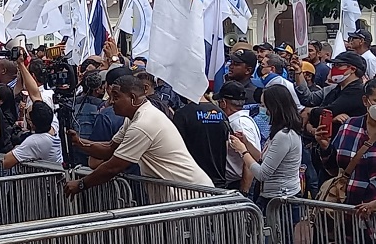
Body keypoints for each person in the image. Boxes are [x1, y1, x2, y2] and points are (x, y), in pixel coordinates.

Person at [64, 75, 214, 199]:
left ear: (133, 98)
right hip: (176, 196)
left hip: (191, 196)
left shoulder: (144, 124)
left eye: (116, 97)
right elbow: (109, 148)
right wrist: (79, 143)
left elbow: (113, 167)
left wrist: (81, 184)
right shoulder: (133, 118)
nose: (111, 101)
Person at [229, 85, 302, 218]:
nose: (263, 110)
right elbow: (262, 158)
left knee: (279, 238)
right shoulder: (279, 132)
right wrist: (246, 142)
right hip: (272, 197)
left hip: (280, 201)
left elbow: (262, 173)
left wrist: (243, 151)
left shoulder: (284, 135)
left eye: (264, 105)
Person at [316, 78, 376, 210]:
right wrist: (325, 147)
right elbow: (334, 169)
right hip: (347, 212)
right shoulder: (350, 126)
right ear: (366, 101)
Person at [3, 51, 63, 168]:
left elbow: (6, 162)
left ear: (31, 123)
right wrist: (21, 64)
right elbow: (35, 94)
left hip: (46, 184)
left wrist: (19, 149)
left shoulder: (35, 141)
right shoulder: (53, 126)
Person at [171, 89, 229, 188]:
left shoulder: (182, 114)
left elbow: (176, 148)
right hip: (218, 181)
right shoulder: (221, 113)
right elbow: (227, 145)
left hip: (192, 181)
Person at [213, 81, 262, 195]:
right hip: (236, 182)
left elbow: (250, 158)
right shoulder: (240, 120)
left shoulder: (239, 123)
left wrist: (244, 191)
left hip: (240, 184)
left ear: (224, 103)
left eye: (219, 102)